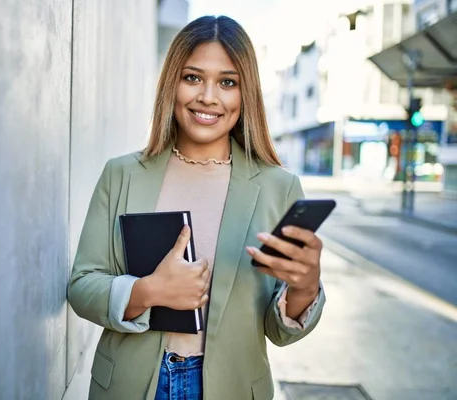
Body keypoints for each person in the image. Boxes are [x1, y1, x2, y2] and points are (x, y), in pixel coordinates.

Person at [68, 15, 326, 400]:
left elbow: (279, 330)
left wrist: (305, 287)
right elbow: (82, 286)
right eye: (192, 78)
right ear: (171, 83)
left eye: (227, 82)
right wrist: (147, 291)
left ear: (246, 94)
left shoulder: (279, 186)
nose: (208, 96)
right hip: (130, 383)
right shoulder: (121, 173)